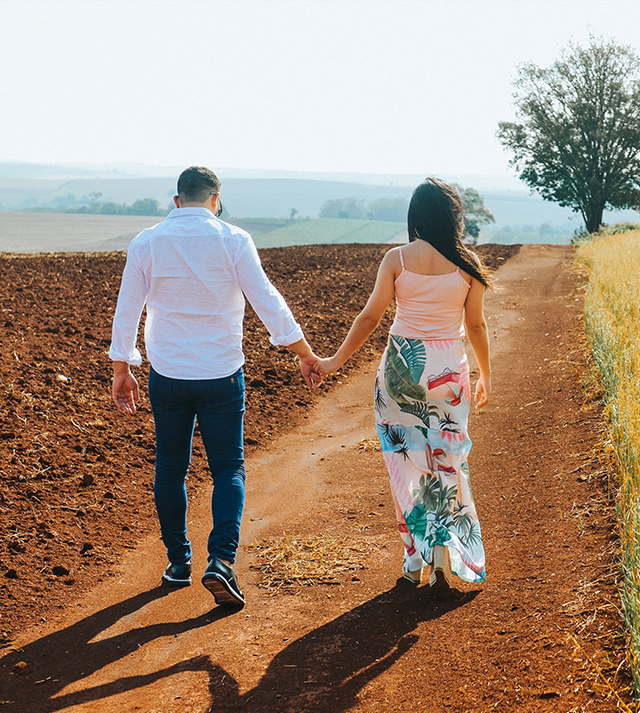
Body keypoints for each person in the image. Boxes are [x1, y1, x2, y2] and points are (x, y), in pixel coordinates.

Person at [108, 166, 320, 608]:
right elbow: (267, 301)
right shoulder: (234, 240)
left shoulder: (147, 241)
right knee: (228, 468)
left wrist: (121, 369)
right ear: (216, 198)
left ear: (177, 200)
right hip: (223, 373)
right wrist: (303, 352)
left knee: (170, 467)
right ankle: (221, 562)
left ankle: (178, 563)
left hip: (168, 375)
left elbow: (126, 309)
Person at [314, 178, 491, 594]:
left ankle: (414, 561)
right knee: (447, 463)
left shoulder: (396, 259)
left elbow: (370, 317)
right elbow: (477, 325)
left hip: (400, 372)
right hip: (449, 372)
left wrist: (334, 361)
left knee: (403, 463)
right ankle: (446, 555)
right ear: (453, 217)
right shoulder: (469, 265)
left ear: (415, 217)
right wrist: (487, 373)